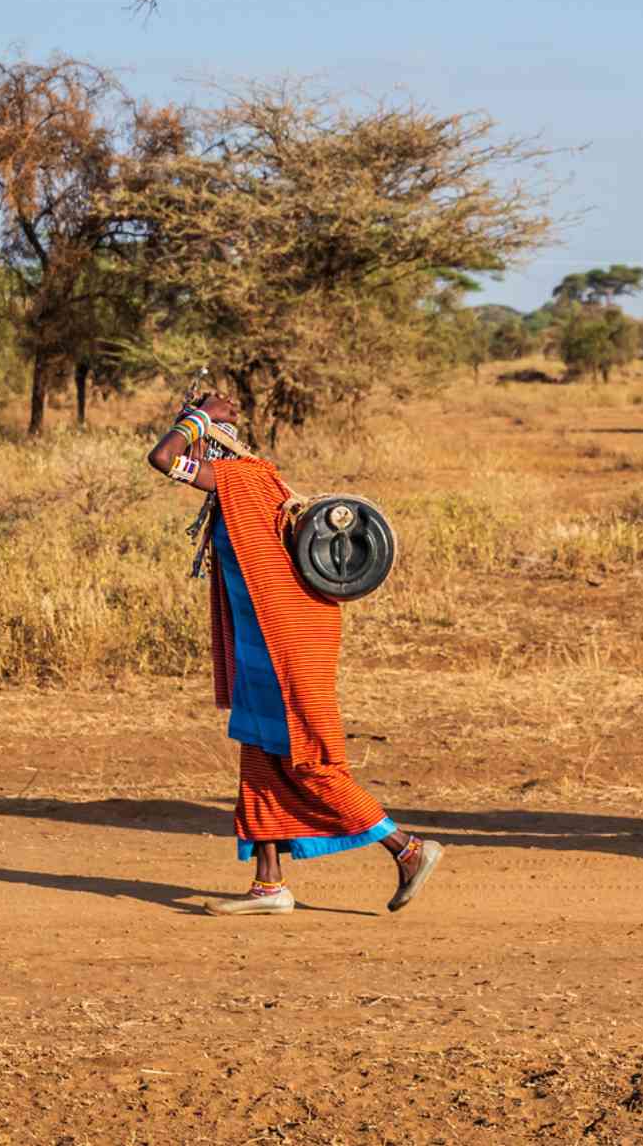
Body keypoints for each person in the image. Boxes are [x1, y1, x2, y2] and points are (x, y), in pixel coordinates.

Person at [148, 389, 441, 916]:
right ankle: (268, 886)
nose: (199, 463)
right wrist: (193, 419)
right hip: (260, 649)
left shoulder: (248, 479)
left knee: (311, 761)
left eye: (203, 444)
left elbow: (163, 458)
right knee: (259, 760)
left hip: (286, 649)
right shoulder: (238, 491)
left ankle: (408, 849)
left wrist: (198, 419)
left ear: (216, 446)